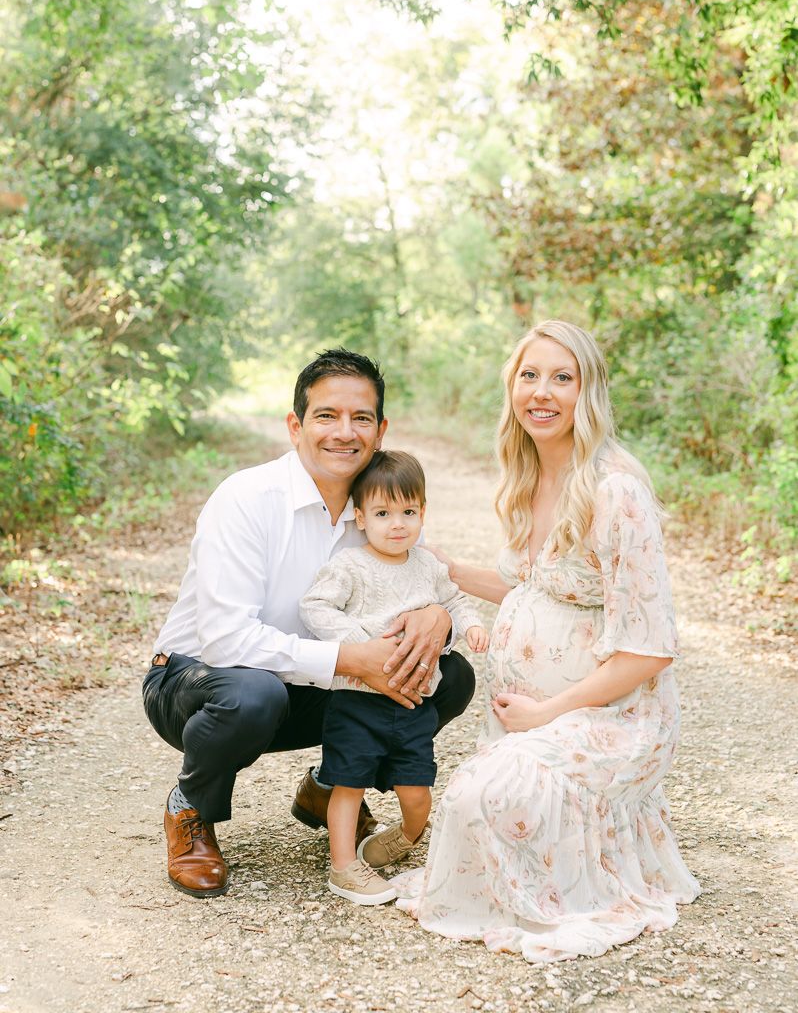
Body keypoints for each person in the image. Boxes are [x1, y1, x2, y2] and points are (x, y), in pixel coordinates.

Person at [392, 320, 700, 961]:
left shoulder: (615, 489)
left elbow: (650, 651)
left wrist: (545, 714)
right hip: (535, 719)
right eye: (530, 375)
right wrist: (421, 562)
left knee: (484, 798)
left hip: (614, 716)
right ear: (512, 387)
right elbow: (521, 584)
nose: (543, 391)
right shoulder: (529, 474)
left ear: (588, 391)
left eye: (563, 377)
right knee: (476, 802)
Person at [142, 348, 476, 898]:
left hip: (306, 681)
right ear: (296, 425)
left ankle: (328, 788)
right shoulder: (247, 499)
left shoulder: (378, 508)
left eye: (360, 418)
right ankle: (190, 808)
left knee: (449, 674)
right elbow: (225, 640)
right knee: (254, 694)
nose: (344, 433)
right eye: (326, 416)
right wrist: (350, 659)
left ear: (380, 429)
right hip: (196, 682)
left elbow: (431, 578)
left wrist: (438, 615)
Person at [299, 450, 489, 905]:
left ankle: (404, 835)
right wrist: (361, 642)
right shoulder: (350, 566)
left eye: (408, 512)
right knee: (347, 784)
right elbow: (314, 607)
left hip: (412, 702)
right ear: (361, 517)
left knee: (417, 786)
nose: (397, 524)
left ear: (423, 512)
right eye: (383, 513)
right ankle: (344, 866)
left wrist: (472, 624)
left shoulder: (426, 565)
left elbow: (456, 601)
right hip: (358, 699)